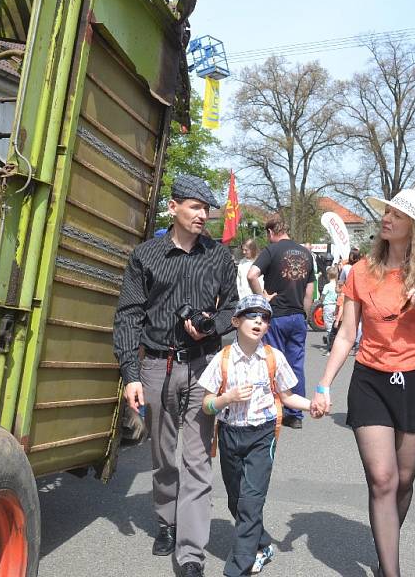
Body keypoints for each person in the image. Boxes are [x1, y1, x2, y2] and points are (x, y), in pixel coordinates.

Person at [312, 189, 415, 577]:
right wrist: (324, 384)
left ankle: (384, 547)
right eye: (386, 213)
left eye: (396, 215)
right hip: (370, 379)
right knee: (382, 478)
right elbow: (345, 334)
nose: (386, 219)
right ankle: (391, 571)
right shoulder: (361, 271)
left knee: (403, 481)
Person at [113, 175, 238, 577]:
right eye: (195, 207)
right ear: (174, 208)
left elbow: (232, 309)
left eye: (207, 209)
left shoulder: (219, 257)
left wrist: (211, 327)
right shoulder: (145, 256)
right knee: (164, 455)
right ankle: (167, 519)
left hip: (203, 365)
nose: (203, 215)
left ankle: (190, 553)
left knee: (198, 460)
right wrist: (130, 374)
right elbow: (129, 315)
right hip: (156, 367)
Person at [198, 295, 314, 577]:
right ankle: (262, 544)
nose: (259, 322)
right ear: (236, 321)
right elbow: (207, 404)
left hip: (263, 435)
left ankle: (238, 567)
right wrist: (227, 398)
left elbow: (288, 397)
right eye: (251, 316)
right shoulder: (222, 359)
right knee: (236, 501)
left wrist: (312, 405)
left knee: (251, 501)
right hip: (229, 435)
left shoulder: (274, 358)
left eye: (264, 318)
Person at [247, 218, 315, 429]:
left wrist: (262, 298)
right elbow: (309, 291)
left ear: (270, 231)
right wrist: (303, 315)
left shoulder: (271, 250)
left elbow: (252, 275)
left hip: (276, 316)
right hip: (297, 317)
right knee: (296, 364)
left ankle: (272, 408)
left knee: (272, 363)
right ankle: (295, 415)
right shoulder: (306, 254)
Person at [321, 266, 340, 356]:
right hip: (335, 306)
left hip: (328, 306)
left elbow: (323, 296)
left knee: (329, 327)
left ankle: (329, 347)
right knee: (334, 326)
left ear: (328, 275)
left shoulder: (327, 286)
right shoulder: (337, 286)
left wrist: (321, 301)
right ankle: (335, 346)